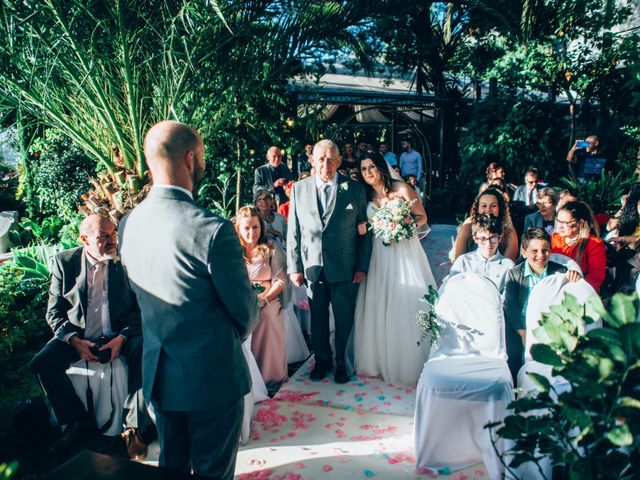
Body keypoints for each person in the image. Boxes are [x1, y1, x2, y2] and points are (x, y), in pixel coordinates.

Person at [118, 121, 259, 479]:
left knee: (172, 468)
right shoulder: (211, 228)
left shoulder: (128, 224)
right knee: (213, 471)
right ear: (190, 158)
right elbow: (245, 310)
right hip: (210, 377)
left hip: (160, 374)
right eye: (202, 157)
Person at [31, 215, 152, 458]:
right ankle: (77, 422)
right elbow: (54, 312)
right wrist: (74, 341)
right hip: (78, 334)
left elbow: (139, 309)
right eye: (103, 236)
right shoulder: (65, 262)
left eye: (114, 234)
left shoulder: (125, 261)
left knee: (142, 350)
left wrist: (122, 339)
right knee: (42, 362)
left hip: (118, 333)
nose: (112, 241)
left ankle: (132, 427)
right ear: (84, 239)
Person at [287, 139, 372, 384]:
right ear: (312, 161)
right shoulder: (299, 189)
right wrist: (295, 267)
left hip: (345, 267)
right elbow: (294, 231)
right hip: (313, 266)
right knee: (318, 319)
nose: (327, 164)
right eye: (321, 159)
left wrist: (361, 266)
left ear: (339, 161)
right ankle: (322, 361)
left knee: (345, 318)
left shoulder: (354, 189)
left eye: (331, 159)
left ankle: (343, 363)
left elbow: (364, 232)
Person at [353, 151, 436, 386]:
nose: (368, 172)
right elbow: (365, 224)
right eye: (364, 169)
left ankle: (406, 359)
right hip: (377, 255)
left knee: (405, 301)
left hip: (403, 252)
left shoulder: (401, 189)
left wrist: (401, 225)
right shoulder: (365, 194)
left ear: (380, 167)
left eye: (371, 167)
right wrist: (364, 228)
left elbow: (421, 216)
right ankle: (376, 359)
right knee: (379, 301)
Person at [503, 228, 581, 384]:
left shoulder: (560, 271)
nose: (540, 255)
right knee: (515, 357)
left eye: (545, 250)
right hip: (521, 325)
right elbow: (511, 307)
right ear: (524, 252)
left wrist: (574, 278)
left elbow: (569, 297)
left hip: (549, 323)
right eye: (534, 251)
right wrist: (524, 333)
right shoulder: (514, 274)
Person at [235, 206, 288, 390]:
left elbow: (280, 281)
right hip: (240, 302)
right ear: (238, 229)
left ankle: (270, 378)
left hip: (267, 301)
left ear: (261, 227)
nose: (251, 233)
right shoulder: (232, 252)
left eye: (255, 227)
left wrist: (263, 300)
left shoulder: (271, 249)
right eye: (247, 228)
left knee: (268, 318)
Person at [449, 214, 514, 293]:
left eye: (493, 238)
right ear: (475, 238)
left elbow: (507, 297)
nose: (488, 244)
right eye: (483, 238)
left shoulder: (508, 266)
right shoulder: (463, 262)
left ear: (499, 238)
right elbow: (452, 290)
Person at [551, 201, 606, 293]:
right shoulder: (555, 239)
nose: (560, 226)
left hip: (581, 293)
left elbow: (595, 278)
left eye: (565, 223)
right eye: (558, 221)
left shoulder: (594, 244)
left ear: (580, 223)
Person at [453, 188, 519, 261]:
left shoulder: (507, 227)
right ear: (477, 209)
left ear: (499, 208)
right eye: (484, 206)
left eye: (493, 206)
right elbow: (458, 258)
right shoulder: (469, 224)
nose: (488, 210)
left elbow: (509, 262)